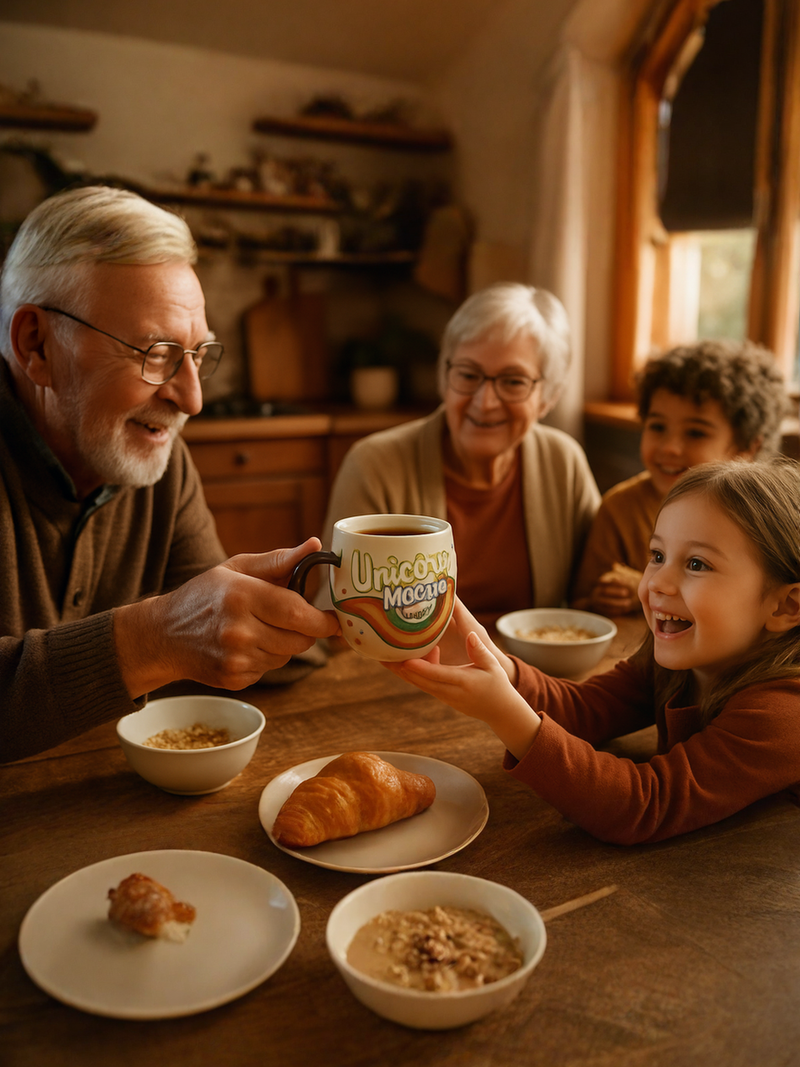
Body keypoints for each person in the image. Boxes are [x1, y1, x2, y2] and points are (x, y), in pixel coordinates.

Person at [0, 185, 338, 764]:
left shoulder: (157, 457)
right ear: (37, 345)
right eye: (156, 352)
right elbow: (175, 630)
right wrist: (154, 639)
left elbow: (207, 627)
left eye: (199, 354)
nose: (192, 398)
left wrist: (292, 620)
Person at [387, 458, 800, 845]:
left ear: (786, 606)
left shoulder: (783, 714)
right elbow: (583, 709)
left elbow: (642, 805)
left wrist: (502, 710)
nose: (657, 582)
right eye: (657, 556)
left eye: (697, 564)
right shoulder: (681, 661)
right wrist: (497, 665)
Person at [319, 283, 600, 627]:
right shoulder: (373, 465)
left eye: (513, 382)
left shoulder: (563, 462)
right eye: (468, 375)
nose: (485, 401)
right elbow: (337, 612)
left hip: (521, 674)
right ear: (444, 376)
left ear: (549, 395)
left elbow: (597, 589)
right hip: (403, 671)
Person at [572, 340, 790, 616]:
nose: (669, 447)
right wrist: (600, 600)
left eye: (695, 433)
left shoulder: (765, 520)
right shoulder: (620, 511)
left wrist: (648, 586)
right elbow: (578, 606)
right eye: (658, 426)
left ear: (747, 448)